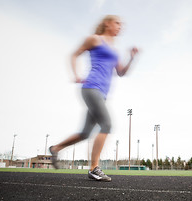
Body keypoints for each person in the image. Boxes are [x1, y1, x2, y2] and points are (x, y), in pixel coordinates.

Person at [49, 15, 138, 182]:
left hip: (102, 94)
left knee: (85, 133)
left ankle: (56, 148)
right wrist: (75, 75)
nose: (120, 26)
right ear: (107, 23)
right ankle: (94, 169)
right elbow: (74, 55)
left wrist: (132, 58)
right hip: (91, 88)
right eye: (117, 23)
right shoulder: (95, 39)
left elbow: (121, 72)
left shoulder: (115, 51)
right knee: (107, 124)